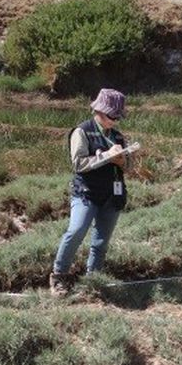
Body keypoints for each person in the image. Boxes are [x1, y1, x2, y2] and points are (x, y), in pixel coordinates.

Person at [50, 88, 133, 296]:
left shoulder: (118, 136)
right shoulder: (81, 132)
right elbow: (78, 163)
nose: (114, 120)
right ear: (98, 111)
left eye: (117, 117)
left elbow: (129, 166)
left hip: (112, 195)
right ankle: (59, 277)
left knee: (101, 241)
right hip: (86, 193)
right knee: (76, 231)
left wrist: (121, 159)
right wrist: (106, 156)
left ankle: (92, 279)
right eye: (111, 116)